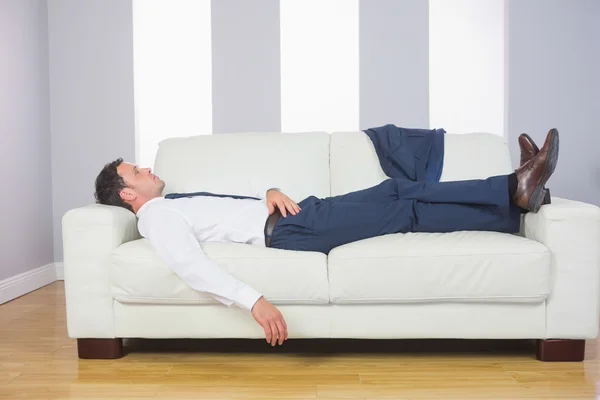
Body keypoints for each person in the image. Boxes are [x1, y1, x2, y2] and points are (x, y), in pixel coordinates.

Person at [94, 129, 559, 347]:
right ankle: (511, 188)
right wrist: (254, 301)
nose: (148, 167)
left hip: (294, 213)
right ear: (129, 192)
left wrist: (267, 191)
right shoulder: (155, 217)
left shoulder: (170, 202)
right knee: (400, 201)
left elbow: (226, 205)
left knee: (397, 196)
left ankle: (516, 202)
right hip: (294, 230)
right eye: (138, 170)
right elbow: (191, 267)